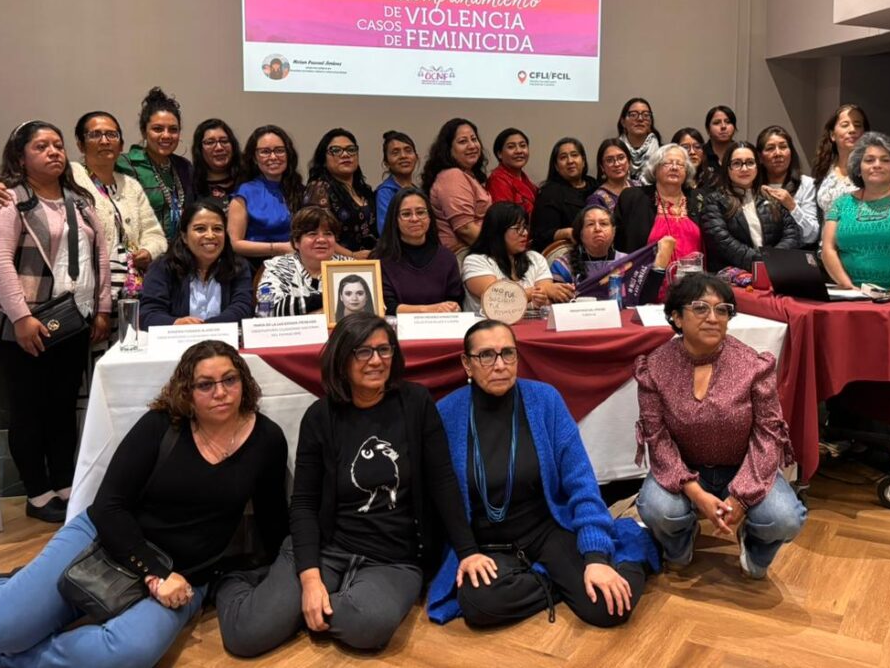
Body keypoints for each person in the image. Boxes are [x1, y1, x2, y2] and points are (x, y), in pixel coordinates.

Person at [0, 341, 289, 668]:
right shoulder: (161, 425)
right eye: (205, 385)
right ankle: (1, 595)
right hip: (105, 539)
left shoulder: (267, 440)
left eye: (229, 379)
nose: (221, 392)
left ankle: (6, 657)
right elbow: (108, 505)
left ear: (244, 381)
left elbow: (272, 518)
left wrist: (291, 574)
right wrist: (154, 571)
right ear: (187, 390)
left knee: (129, 653)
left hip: (184, 574)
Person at [213, 314, 495, 656]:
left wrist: (468, 551)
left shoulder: (416, 403)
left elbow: (443, 481)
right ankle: (241, 580)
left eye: (384, 349)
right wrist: (310, 580)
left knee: (368, 627)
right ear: (341, 359)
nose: (376, 360)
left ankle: (303, 607)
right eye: (363, 351)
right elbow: (303, 503)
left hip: (394, 560)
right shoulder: (320, 416)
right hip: (327, 550)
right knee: (246, 636)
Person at [426, 320, 657, 627]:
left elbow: (581, 482)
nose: (500, 365)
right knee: (478, 605)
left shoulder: (544, 400)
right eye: (486, 355)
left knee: (607, 607)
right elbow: (443, 496)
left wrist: (596, 560)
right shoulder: (447, 413)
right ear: (467, 363)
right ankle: (555, 580)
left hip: (545, 530)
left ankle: (629, 557)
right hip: (486, 543)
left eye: (508, 353)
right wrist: (467, 551)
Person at [0, 121, 112, 524]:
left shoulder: (80, 200)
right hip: (24, 327)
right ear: (20, 157)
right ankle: (37, 494)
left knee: (62, 408)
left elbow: (101, 257)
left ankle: (66, 486)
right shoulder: (6, 201)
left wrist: (102, 308)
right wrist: (21, 317)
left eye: (57, 145)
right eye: (41, 146)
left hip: (71, 322)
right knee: (28, 410)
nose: (53, 152)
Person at [634, 273, 807, 578]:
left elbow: (768, 434)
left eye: (722, 310)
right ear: (676, 317)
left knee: (785, 519)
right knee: (657, 509)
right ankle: (680, 543)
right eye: (700, 308)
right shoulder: (655, 367)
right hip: (685, 471)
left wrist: (741, 498)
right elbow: (656, 438)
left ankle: (754, 546)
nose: (713, 318)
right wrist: (695, 493)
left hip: (744, 468)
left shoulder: (753, 365)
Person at [0, 112, 166, 307]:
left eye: (112, 135)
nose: (104, 141)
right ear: (80, 145)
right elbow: (14, 181)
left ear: (121, 144)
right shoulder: (69, 176)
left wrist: (148, 251)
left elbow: (154, 233)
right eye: (95, 135)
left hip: (131, 289)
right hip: (83, 291)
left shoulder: (131, 185)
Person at [821, 132, 890, 300]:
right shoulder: (841, 203)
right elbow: (828, 249)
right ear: (858, 169)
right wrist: (850, 290)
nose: (877, 165)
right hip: (851, 297)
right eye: (869, 160)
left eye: (885, 160)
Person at [139, 199, 254, 328]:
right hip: (178, 338)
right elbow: (148, 314)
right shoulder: (163, 267)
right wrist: (176, 323)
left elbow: (242, 309)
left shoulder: (238, 266)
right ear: (184, 237)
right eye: (200, 229)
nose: (210, 235)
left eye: (217, 229)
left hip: (222, 339)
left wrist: (204, 328)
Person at [614, 143, 704, 296]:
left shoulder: (699, 199)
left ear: (687, 171)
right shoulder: (634, 198)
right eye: (667, 163)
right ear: (655, 169)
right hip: (644, 290)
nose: (674, 167)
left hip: (693, 290)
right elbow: (620, 244)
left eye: (680, 164)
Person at [699, 141, 802, 272]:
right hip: (732, 276)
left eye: (750, 162)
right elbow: (723, 242)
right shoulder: (714, 201)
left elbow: (792, 234)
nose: (744, 169)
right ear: (727, 168)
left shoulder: (771, 196)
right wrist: (761, 262)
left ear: (757, 166)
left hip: (775, 272)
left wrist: (773, 260)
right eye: (737, 163)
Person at [462, 202, 572, 316]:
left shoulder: (535, 258)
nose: (525, 233)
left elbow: (545, 293)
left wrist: (549, 295)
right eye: (518, 228)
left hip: (533, 324)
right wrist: (531, 293)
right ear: (497, 231)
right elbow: (495, 297)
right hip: (490, 325)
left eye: (525, 227)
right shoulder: (475, 261)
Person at [550, 205, 673, 305]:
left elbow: (643, 300)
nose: (597, 229)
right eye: (590, 224)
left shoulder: (626, 262)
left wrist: (660, 263)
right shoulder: (563, 265)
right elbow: (555, 305)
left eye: (604, 224)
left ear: (613, 232)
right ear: (580, 233)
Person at [116, 87, 193, 242]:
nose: (166, 135)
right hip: (143, 250)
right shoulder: (125, 164)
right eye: (158, 129)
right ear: (144, 132)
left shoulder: (184, 167)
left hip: (181, 252)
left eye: (173, 130)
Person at [370, 188, 463, 315]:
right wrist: (429, 310)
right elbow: (386, 307)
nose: (414, 219)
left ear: (429, 217)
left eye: (420, 212)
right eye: (406, 214)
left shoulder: (447, 258)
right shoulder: (380, 259)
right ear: (395, 220)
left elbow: (456, 300)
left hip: (441, 324)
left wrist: (453, 307)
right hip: (395, 326)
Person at [228, 125, 303, 268]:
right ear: (255, 158)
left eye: (279, 150)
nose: (273, 157)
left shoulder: (300, 190)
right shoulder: (244, 192)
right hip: (257, 268)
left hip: (298, 266)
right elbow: (235, 243)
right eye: (265, 152)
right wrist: (280, 248)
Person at [256, 206, 348, 316]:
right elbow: (266, 309)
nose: (321, 239)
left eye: (328, 234)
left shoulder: (349, 266)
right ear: (296, 242)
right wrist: (332, 299)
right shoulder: (278, 267)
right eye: (312, 234)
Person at [304, 129, 378, 257]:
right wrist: (352, 255)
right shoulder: (319, 189)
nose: (345, 155)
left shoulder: (364, 190)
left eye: (351, 149)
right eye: (336, 150)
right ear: (323, 159)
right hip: (335, 263)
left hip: (369, 262)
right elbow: (315, 235)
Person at [422, 118, 492, 251]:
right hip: (462, 254)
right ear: (448, 149)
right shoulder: (452, 176)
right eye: (463, 141)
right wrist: (501, 251)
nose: (472, 146)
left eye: (474, 139)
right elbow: (465, 229)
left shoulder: (468, 175)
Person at [531, 137, 599, 251]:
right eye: (563, 157)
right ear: (556, 166)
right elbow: (540, 235)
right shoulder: (549, 193)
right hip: (568, 253)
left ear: (583, 161)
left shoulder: (595, 185)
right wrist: (566, 233)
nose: (570, 161)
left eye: (574, 155)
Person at [756, 125, 818, 245]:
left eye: (783, 147)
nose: (778, 153)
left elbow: (812, 236)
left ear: (791, 152)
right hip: (761, 252)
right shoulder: (753, 186)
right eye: (770, 148)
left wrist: (792, 206)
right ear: (760, 157)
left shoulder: (806, 184)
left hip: (797, 252)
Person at [812, 104, 870, 216]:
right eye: (845, 125)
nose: (852, 130)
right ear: (832, 135)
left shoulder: (872, 169)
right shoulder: (824, 168)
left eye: (857, 125)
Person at [485, 127, 539, 217]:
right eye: (511, 147)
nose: (519, 151)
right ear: (499, 154)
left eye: (523, 146)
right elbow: (506, 218)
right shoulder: (498, 180)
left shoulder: (525, 179)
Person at [374, 130, 419, 233]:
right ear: (386, 163)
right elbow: (386, 232)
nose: (403, 156)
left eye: (408, 151)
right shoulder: (385, 193)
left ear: (416, 157)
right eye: (395, 153)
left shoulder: (418, 191)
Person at [191, 118, 242, 201]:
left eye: (224, 141)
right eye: (210, 142)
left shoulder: (248, 178)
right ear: (199, 149)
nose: (219, 148)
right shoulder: (190, 184)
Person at [616, 97, 661, 180]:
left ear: (650, 122)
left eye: (646, 115)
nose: (640, 119)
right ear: (623, 122)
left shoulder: (662, 153)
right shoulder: (613, 151)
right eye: (633, 115)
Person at [586, 138, 635, 212]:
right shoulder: (597, 199)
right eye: (609, 160)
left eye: (621, 158)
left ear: (629, 161)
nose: (617, 164)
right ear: (602, 167)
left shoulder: (639, 186)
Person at [703, 105, 737, 169]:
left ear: (734, 127)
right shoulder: (701, 153)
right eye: (717, 123)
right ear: (708, 129)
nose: (723, 126)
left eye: (728, 122)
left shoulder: (742, 152)